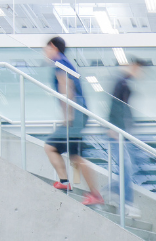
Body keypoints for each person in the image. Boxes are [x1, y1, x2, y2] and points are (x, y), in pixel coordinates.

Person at [42, 37, 103, 207]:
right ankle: (65, 181)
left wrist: (68, 115)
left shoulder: (60, 62)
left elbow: (65, 86)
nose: (44, 52)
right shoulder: (65, 62)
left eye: (46, 48)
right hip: (78, 114)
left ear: (53, 47)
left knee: (67, 153)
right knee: (65, 152)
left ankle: (93, 193)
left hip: (75, 115)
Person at [107, 59, 149, 219]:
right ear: (135, 67)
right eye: (140, 70)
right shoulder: (121, 82)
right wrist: (112, 127)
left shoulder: (126, 83)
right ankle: (127, 203)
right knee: (126, 166)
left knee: (133, 166)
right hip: (117, 131)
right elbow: (115, 105)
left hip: (124, 132)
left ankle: (111, 190)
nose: (141, 74)